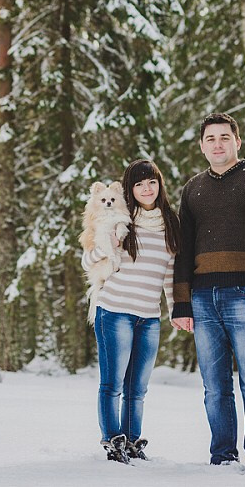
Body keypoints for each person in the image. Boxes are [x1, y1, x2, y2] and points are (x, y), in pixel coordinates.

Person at [170, 113, 245, 475]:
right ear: (202, 146)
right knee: (214, 386)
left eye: (224, 137)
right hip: (203, 297)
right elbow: (183, 250)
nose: (217, 144)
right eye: (210, 139)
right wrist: (181, 301)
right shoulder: (193, 189)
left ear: (237, 141)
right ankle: (222, 455)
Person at [81, 159, 180, 464]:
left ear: (159, 185)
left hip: (149, 317)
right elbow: (87, 261)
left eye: (151, 182)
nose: (146, 189)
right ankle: (113, 440)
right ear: (130, 189)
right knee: (113, 384)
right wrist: (107, 246)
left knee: (138, 388)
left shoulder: (171, 224)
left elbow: (169, 273)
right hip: (114, 311)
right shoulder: (121, 220)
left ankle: (132, 440)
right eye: (138, 184)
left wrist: (174, 308)